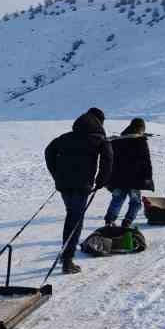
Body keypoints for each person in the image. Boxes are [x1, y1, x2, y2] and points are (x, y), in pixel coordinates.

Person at [43, 107, 114, 274]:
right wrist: (101, 181)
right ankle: (67, 260)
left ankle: (66, 254)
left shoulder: (65, 137)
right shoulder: (99, 139)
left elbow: (49, 151)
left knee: (72, 215)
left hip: (64, 184)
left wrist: (56, 174)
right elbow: (108, 160)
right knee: (75, 219)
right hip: (82, 185)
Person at [104, 117, 154, 228]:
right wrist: (148, 177)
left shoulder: (117, 141)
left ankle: (109, 221)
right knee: (135, 202)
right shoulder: (140, 141)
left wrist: (109, 178)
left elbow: (112, 161)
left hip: (118, 178)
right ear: (140, 128)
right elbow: (146, 161)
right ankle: (127, 221)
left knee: (117, 199)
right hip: (135, 179)